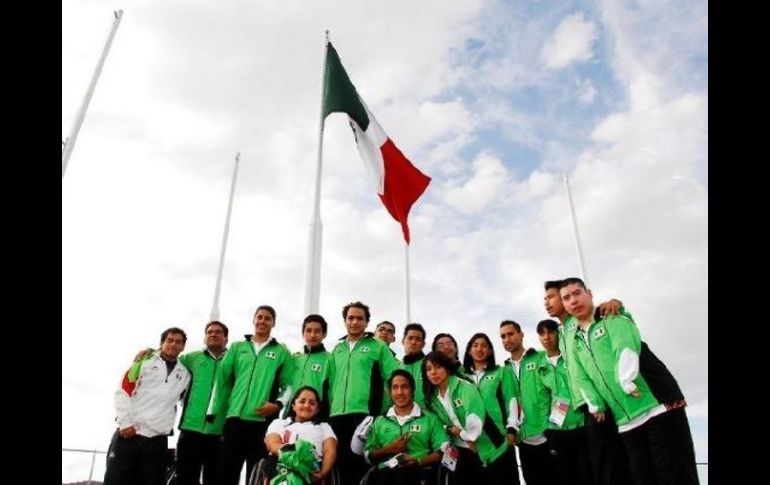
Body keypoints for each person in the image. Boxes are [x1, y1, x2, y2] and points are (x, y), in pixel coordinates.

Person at [559, 277, 699, 485]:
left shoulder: (613, 318)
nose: (573, 301)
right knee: (643, 479)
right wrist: (594, 403)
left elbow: (625, 347)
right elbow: (580, 375)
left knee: (674, 475)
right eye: (567, 298)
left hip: (657, 407)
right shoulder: (576, 341)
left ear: (589, 293)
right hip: (626, 422)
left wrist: (626, 380)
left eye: (577, 293)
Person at [209, 305, 294, 485]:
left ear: (274, 323)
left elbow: (288, 385)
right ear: (254, 320)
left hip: (262, 422)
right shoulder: (237, 347)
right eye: (260, 317)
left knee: (256, 474)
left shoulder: (282, 352)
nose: (263, 321)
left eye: (267, 318)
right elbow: (222, 380)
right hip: (235, 419)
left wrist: (277, 405)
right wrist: (215, 409)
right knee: (225, 471)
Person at [104, 327, 191, 485]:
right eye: (169, 340)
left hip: (157, 441)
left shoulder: (185, 373)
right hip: (129, 434)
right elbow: (123, 390)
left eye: (178, 342)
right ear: (162, 343)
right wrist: (125, 423)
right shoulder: (143, 361)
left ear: (183, 347)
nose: (173, 344)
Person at [328, 301, 400, 485]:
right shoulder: (337, 349)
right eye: (350, 318)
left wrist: (386, 412)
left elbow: (395, 378)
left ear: (367, 323)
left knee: (361, 470)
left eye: (360, 318)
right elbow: (330, 384)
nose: (354, 322)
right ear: (345, 321)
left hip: (364, 416)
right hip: (336, 416)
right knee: (339, 470)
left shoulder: (378, 346)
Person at [422, 351, 507, 484]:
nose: (433, 372)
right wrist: (450, 429)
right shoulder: (432, 397)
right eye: (428, 369)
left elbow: (474, 429)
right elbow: (437, 424)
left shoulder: (465, 388)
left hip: (487, 448)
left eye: (438, 367)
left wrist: (461, 433)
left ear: (447, 368)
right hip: (459, 450)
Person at [363, 369, 448, 485]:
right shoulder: (380, 421)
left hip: (420, 475)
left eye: (404, 387)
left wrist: (418, 461)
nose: (399, 392)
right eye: (395, 387)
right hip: (384, 476)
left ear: (412, 391)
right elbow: (368, 455)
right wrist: (387, 449)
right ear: (389, 392)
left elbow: (443, 450)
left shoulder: (430, 419)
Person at [535, 319, 590, 485]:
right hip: (559, 430)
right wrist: (547, 428)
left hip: (583, 423)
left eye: (551, 332)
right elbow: (543, 400)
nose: (547, 337)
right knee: (566, 475)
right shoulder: (541, 366)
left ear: (558, 333)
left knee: (588, 473)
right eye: (542, 333)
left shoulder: (570, 356)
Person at [498, 320, 553, 485]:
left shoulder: (541, 357)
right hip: (523, 441)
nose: (507, 339)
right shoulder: (503, 371)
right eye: (503, 336)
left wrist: (553, 426)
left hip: (549, 435)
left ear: (521, 334)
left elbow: (556, 391)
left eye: (510, 334)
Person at [461, 333, 521, 484]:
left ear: (490, 351)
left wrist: (512, 429)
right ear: (469, 350)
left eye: (484, 346)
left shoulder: (501, 372)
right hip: (474, 444)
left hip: (500, 441)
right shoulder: (461, 377)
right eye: (475, 345)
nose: (479, 349)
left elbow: (511, 401)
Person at [264, 386, 338, 483]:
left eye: (312, 403)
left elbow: (330, 450)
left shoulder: (324, 427)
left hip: (310, 467)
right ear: (293, 406)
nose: (307, 405)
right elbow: (273, 445)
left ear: (317, 410)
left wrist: (323, 473)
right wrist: (297, 454)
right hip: (281, 463)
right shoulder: (279, 423)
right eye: (302, 401)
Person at [290, 314, 334, 419]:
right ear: (303, 333)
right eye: (308, 331)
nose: (312, 335)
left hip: (317, 416)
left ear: (324, 334)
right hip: (292, 414)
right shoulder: (295, 359)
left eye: (317, 331)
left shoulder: (330, 359)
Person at [400, 323, 428, 407]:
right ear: (403, 341)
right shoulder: (397, 369)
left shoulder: (431, 366)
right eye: (410, 338)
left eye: (418, 339)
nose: (413, 342)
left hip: (429, 417)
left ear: (423, 344)